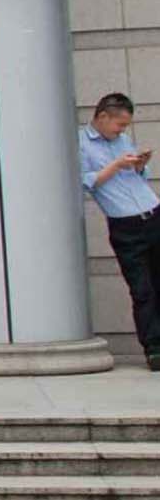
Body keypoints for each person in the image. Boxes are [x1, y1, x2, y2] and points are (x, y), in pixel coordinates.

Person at [81, 92, 160, 371]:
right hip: (126, 226)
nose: (123, 130)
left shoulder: (122, 140)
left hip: (154, 214)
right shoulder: (80, 144)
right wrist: (116, 165)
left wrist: (139, 164)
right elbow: (86, 182)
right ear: (103, 117)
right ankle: (155, 349)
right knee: (142, 289)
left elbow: (138, 177)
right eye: (120, 125)